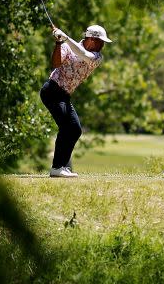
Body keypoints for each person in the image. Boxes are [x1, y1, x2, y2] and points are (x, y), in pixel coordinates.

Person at [40, 24, 112, 178]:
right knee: (68, 127)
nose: (102, 45)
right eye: (101, 42)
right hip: (52, 90)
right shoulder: (66, 46)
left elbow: (83, 54)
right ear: (91, 39)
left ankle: (61, 167)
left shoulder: (97, 57)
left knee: (75, 129)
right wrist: (59, 42)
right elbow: (55, 63)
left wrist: (65, 37)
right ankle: (57, 167)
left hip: (64, 95)